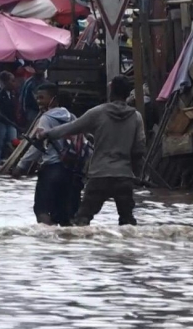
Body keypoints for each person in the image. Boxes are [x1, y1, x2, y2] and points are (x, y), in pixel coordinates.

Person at [37, 75, 145, 226]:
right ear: (128, 94)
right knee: (128, 222)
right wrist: (136, 175)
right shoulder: (136, 117)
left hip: (99, 176)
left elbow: (71, 128)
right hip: (123, 176)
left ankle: (82, 241)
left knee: (82, 220)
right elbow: (139, 150)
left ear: (111, 91)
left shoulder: (97, 113)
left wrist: (47, 134)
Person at [14, 82, 76, 226]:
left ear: (53, 99)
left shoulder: (46, 118)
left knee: (41, 210)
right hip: (70, 170)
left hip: (51, 168)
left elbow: (38, 146)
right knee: (64, 215)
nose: (38, 101)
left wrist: (21, 166)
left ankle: (47, 238)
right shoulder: (72, 117)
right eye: (37, 98)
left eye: (42, 98)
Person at [0, 71, 18, 165]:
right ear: (6, 82)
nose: (14, 83)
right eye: (12, 81)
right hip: (1, 122)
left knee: (13, 141)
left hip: (12, 122)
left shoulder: (13, 94)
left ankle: (13, 160)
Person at [19, 59, 48, 128]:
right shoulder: (29, 83)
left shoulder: (46, 83)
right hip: (32, 111)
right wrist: (24, 113)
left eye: (42, 68)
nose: (40, 70)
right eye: (39, 68)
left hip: (44, 111)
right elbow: (23, 100)